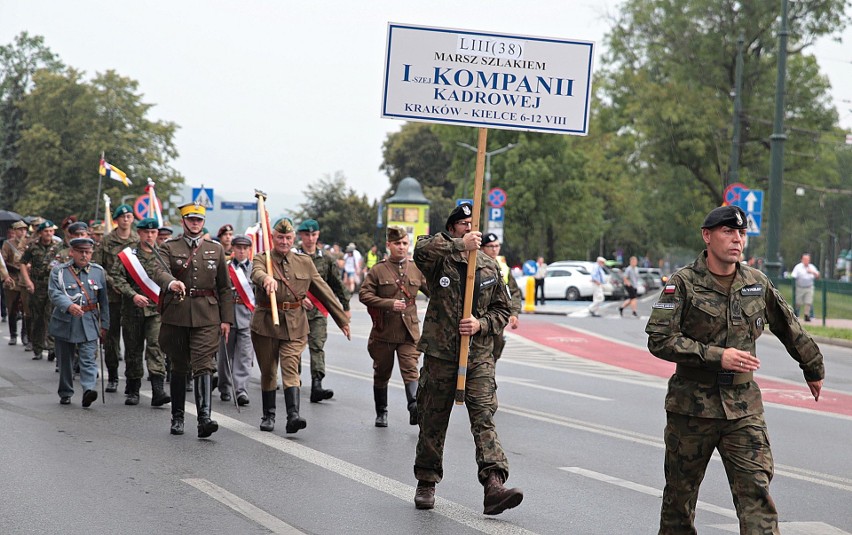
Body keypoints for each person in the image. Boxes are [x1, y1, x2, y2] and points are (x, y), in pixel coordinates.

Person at [645, 205, 825, 535]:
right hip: (692, 409)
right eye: (728, 232)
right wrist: (717, 356)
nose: (737, 240)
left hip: (743, 408)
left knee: (757, 495)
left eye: (741, 233)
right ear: (707, 235)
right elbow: (659, 339)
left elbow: (789, 325)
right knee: (679, 502)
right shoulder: (682, 284)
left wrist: (812, 365)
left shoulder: (756, 283)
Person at [412, 203, 522, 515]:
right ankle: (426, 480)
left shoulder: (489, 266)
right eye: (463, 224)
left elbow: (502, 310)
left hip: (479, 355)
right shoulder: (439, 258)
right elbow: (420, 250)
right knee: (432, 418)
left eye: (472, 224)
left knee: (484, 416)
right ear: (452, 227)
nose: (469, 228)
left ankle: (494, 483)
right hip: (441, 354)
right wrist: (461, 244)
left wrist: (480, 324)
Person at [250, 218, 350, 434]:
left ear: (293, 238)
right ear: (273, 238)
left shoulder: (304, 262)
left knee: (290, 366)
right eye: (280, 237)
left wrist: (341, 318)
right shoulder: (262, 258)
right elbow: (255, 272)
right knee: (268, 372)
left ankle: (293, 415)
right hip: (266, 323)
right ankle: (268, 415)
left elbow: (323, 290)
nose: (284, 241)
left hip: (295, 323)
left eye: (288, 237)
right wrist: (265, 278)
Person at [151, 202, 234, 438]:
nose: (195, 223)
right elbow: (159, 271)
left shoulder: (215, 249)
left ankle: (204, 419)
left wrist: (226, 319)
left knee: (203, 363)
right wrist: (171, 283)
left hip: (207, 315)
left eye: (199, 220)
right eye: (191, 219)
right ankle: (177, 417)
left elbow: (224, 288)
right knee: (178, 366)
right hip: (177, 313)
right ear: (183, 221)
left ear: (204, 222)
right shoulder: (170, 246)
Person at [359, 226, 428, 427]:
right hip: (384, 332)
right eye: (397, 243)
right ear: (389, 245)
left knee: (410, 369)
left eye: (405, 243)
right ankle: (381, 412)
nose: (401, 247)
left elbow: (432, 291)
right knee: (382, 372)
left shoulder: (415, 268)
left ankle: (414, 407)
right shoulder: (378, 270)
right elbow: (364, 295)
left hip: (409, 331)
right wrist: (388, 303)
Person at [110, 218, 171, 407]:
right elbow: (116, 277)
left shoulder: (163, 255)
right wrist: (132, 295)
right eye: (146, 232)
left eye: (153, 232)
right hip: (132, 310)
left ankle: (158, 390)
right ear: (139, 233)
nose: (150, 236)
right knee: (133, 350)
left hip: (156, 311)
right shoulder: (129, 255)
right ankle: (133, 389)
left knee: (155, 346)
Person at [48, 237, 109, 407]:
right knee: (65, 361)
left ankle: (88, 390)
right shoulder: (59, 272)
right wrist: (69, 306)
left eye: (88, 252)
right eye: (81, 252)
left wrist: (105, 324)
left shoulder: (98, 272)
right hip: (65, 321)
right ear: (71, 252)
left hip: (88, 321)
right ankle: (66, 392)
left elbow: (103, 301)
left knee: (88, 358)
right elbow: (54, 293)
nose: (84, 255)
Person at [295, 219, 351, 403]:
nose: (310, 238)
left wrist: (346, 306)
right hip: (296, 310)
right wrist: (298, 298)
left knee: (317, 346)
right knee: (295, 349)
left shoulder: (327, 259)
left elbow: (336, 284)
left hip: (318, 311)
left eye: (313, 234)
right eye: (306, 235)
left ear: (318, 235)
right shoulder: (292, 256)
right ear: (301, 236)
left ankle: (317, 385)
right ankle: (294, 382)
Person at [95, 204, 139, 393]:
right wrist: (113, 282)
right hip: (111, 297)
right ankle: (112, 375)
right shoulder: (106, 241)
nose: (126, 220)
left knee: (132, 339)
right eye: (123, 217)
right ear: (117, 220)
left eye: (129, 216)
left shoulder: (138, 240)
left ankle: (131, 379)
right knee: (111, 339)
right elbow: (97, 267)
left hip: (131, 297)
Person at [217, 234, 255, 406]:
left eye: (245, 248)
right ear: (232, 249)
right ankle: (224, 386)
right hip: (229, 316)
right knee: (225, 355)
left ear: (249, 250)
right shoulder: (225, 268)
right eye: (238, 247)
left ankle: (241, 390)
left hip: (248, 318)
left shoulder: (255, 269)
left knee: (245, 356)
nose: (241, 251)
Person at [20, 220, 62, 361]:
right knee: (37, 318)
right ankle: (37, 347)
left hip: (52, 285)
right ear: (40, 233)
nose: (49, 234)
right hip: (37, 286)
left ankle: (51, 347)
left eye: (51, 231)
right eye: (46, 231)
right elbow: (23, 264)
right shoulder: (32, 247)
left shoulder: (57, 247)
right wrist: (28, 282)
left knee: (51, 316)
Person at [480, 233, 521, 361]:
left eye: (497, 246)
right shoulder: (474, 264)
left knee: (494, 354)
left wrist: (514, 313)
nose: (494, 249)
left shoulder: (503, 267)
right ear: (482, 248)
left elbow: (513, 292)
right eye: (491, 246)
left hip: (497, 318)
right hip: (479, 317)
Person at [2, 221, 30, 348]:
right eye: (20, 230)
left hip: (25, 279)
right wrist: (6, 276)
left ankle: (25, 334)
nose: (22, 232)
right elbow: (3, 261)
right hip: (12, 278)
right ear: (14, 231)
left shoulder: (29, 244)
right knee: (12, 307)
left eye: (24, 229)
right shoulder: (8, 244)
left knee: (26, 308)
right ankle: (13, 335)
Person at [791, 253, 819, 322]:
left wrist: (812, 272)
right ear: (802, 260)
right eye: (805, 259)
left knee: (808, 301)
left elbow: (818, 275)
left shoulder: (811, 267)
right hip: (800, 287)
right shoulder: (798, 267)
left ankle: (806, 315)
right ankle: (795, 314)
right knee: (798, 302)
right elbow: (793, 275)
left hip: (809, 287)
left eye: (808, 260)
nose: (806, 261)